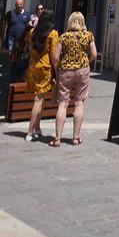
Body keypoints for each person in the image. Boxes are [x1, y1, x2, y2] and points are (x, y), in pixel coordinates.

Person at [50, 11, 96, 147]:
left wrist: (58, 69)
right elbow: (94, 53)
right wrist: (85, 61)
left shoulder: (64, 37)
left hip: (66, 71)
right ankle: (75, 137)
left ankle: (57, 138)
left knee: (63, 104)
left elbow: (55, 57)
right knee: (79, 103)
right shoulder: (88, 36)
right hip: (82, 71)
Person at [24, 10, 58, 142]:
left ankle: (37, 128)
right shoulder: (53, 34)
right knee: (38, 101)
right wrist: (57, 71)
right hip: (45, 69)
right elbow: (54, 56)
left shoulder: (33, 32)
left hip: (33, 68)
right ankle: (30, 132)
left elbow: (31, 49)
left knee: (40, 99)